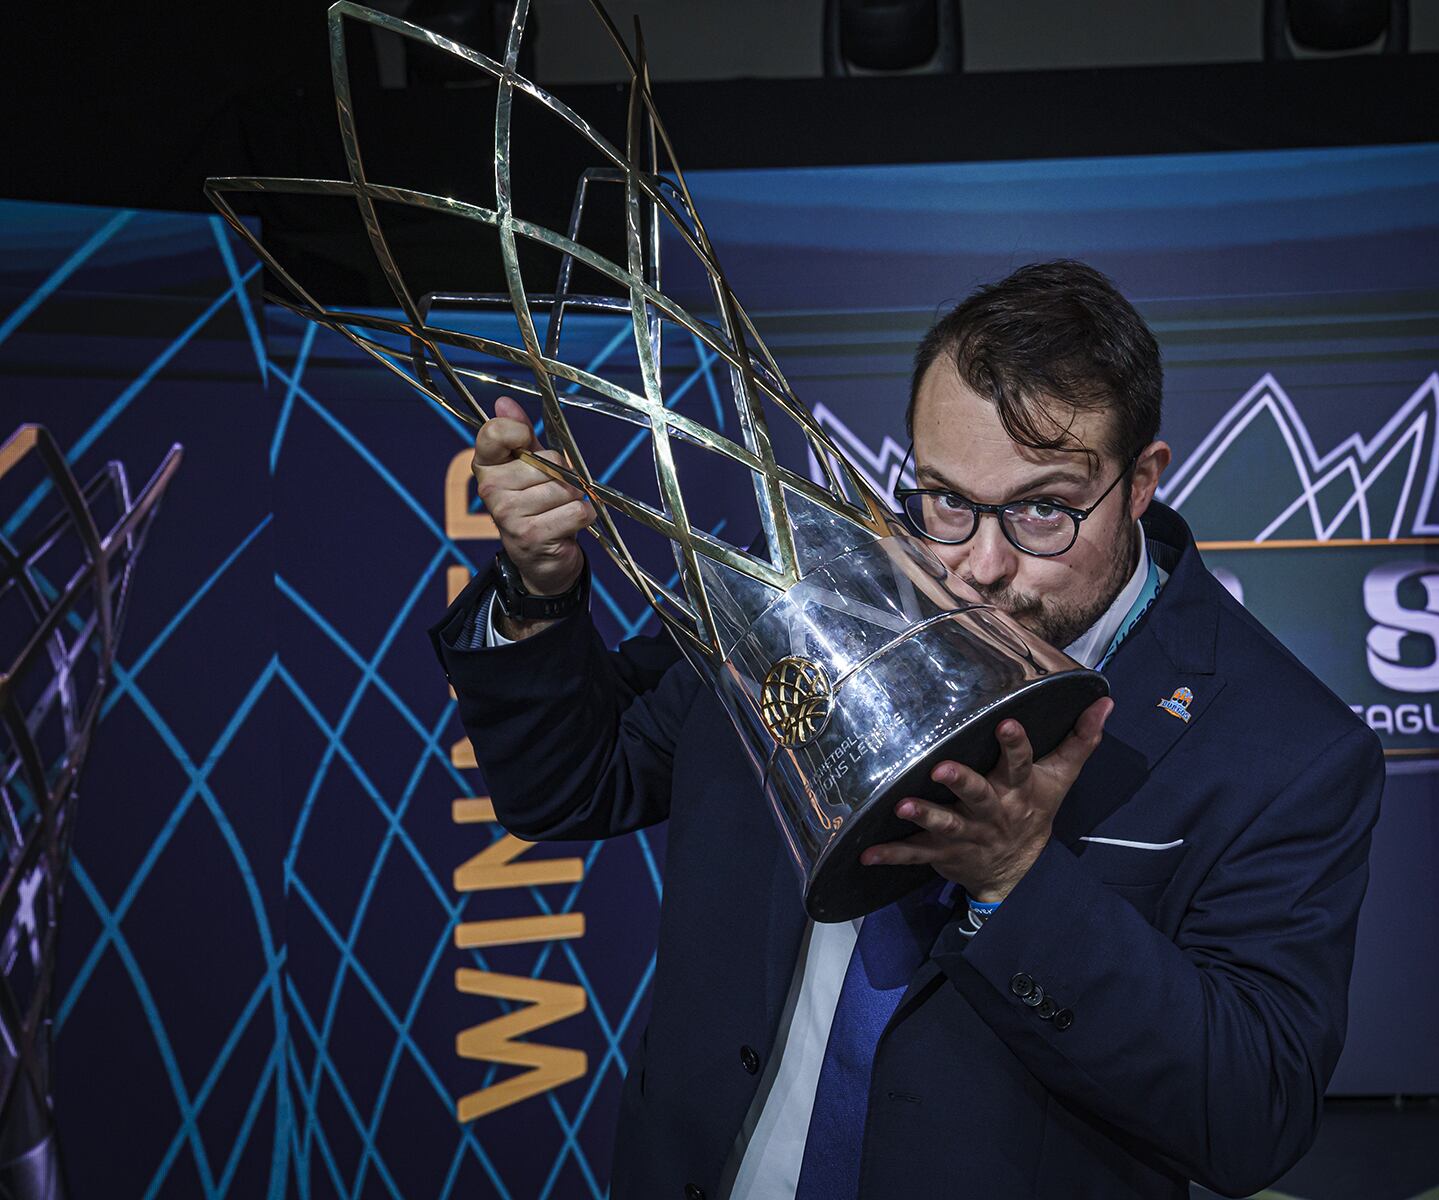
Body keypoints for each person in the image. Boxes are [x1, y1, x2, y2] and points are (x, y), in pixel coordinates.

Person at [429, 260, 1385, 1199]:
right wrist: (538, 591)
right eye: (946, 499)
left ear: (1141, 482)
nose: (979, 564)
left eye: (1044, 509)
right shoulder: (810, 588)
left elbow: (1251, 1118)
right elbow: (568, 786)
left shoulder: (1284, 747)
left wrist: (1019, 881)